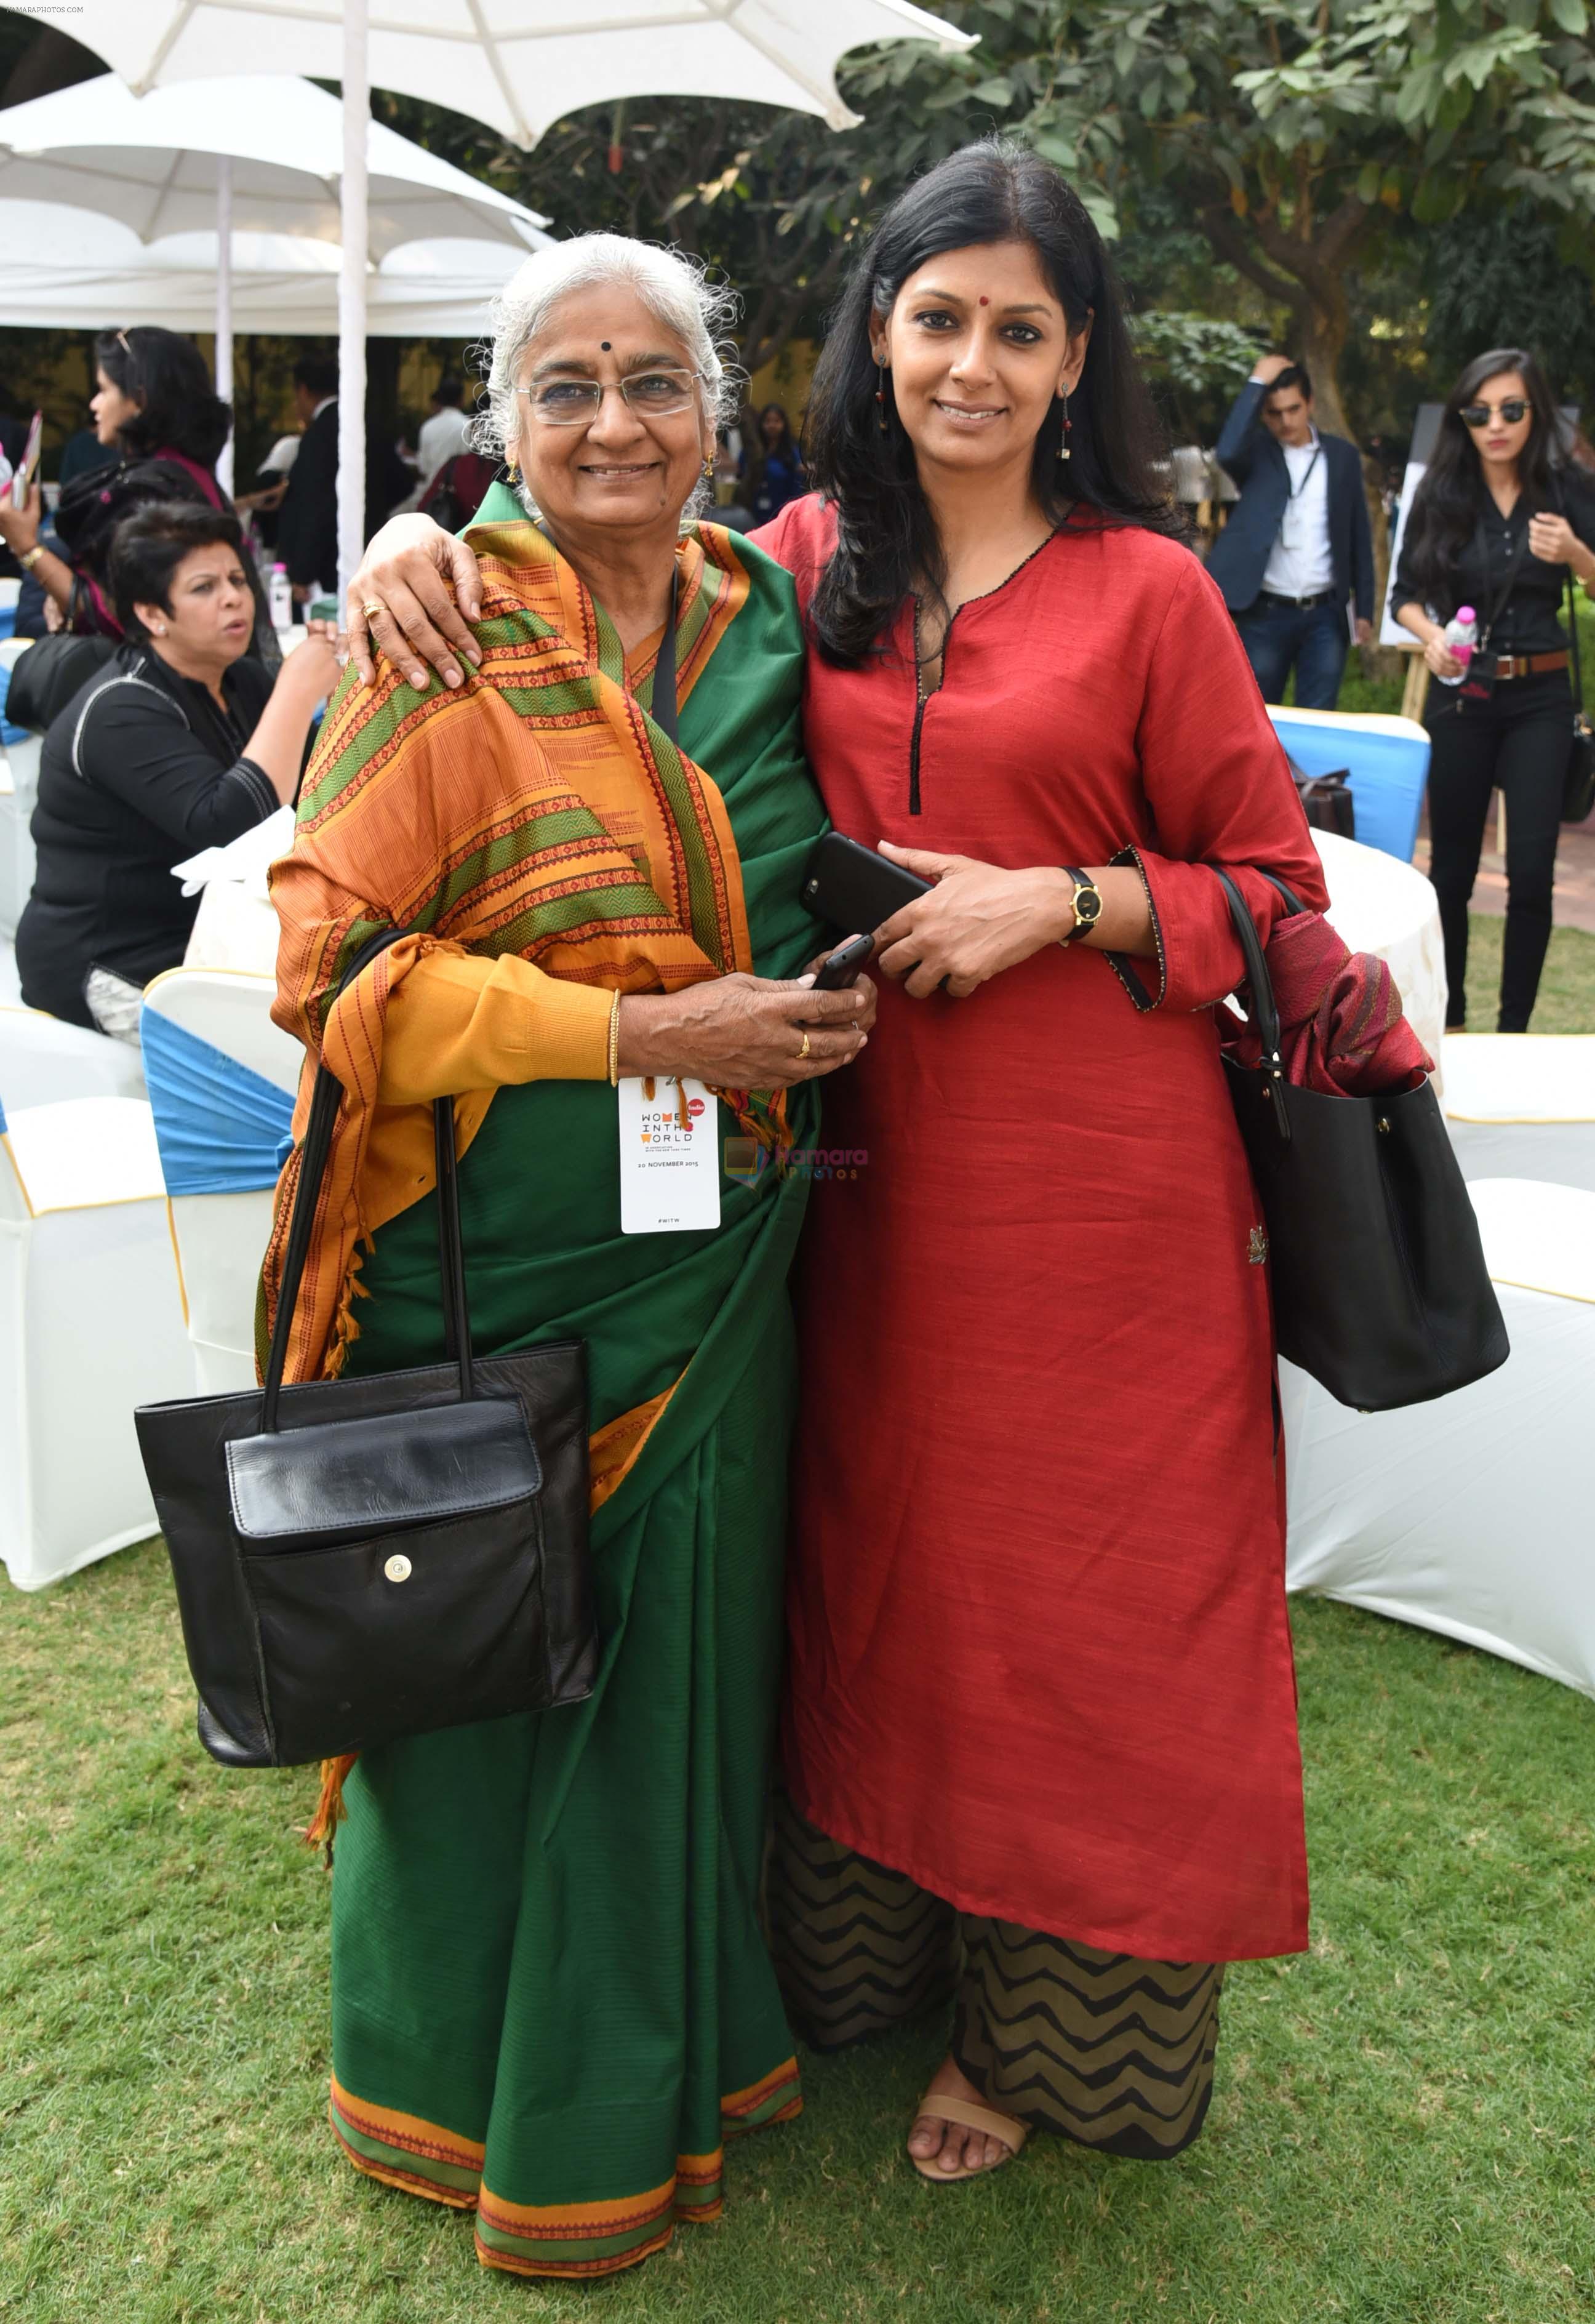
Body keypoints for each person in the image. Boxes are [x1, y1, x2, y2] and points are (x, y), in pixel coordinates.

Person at [348, 138, 1330, 2191]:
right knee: (881, 1584)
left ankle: (1039, 2030)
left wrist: (1062, 902)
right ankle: (862, 1967)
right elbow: (590, 531)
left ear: (1080, 365)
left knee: (1081, 1605)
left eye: (1021, 330)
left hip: (1099, 1207)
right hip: (850, 1206)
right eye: (939, 317)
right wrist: (400, 539)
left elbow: (1272, 892)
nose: (973, 363)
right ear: (876, 337)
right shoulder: (803, 561)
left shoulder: (1147, 589)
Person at [266, 233, 873, 2282]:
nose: (614, 420)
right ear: (500, 426)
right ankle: (451, 2075)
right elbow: (333, 974)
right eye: (564, 385)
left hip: (723, 1260)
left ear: (718, 414)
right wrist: (631, 1031)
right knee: (484, 1654)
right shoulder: (436, 638)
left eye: (655, 381)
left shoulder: (774, 612)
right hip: (501, 1259)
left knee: (678, 1666)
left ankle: (666, 2057)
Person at [15, 502, 337, 1032]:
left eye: (237, 578)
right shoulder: (118, 710)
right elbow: (229, 830)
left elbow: (319, 793)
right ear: (151, 615)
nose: (234, 596)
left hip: (219, 936)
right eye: (203, 588)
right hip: (115, 965)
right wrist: (298, 693)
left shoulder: (245, 682)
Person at [1393, 348, 1595, 1031]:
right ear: (1464, 418)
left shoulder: (1567, 490)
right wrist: (1431, 635)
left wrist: (1577, 554)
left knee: (1532, 872)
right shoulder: (1443, 490)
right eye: (1480, 412)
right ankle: (1451, 1020)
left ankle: (1515, 1029)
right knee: (1451, 870)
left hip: (1542, 697)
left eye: (1512, 409)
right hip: (1463, 697)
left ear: (1536, 412)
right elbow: (1404, 597)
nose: (1496, 425)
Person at [0, 326, 241, 641]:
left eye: (103, 390)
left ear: (139, 398)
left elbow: (113, 616)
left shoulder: (149, 490)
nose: (94, 405)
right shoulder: (184, 472)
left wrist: (27, 547)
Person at [1207, 352, 1375, 707]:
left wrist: (1365, 609)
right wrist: (1257, 382)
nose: (1285, 421)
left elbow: (1359, 533)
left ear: (1310, 403)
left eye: (1294, 409)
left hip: (1325, 612)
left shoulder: (1342, 456)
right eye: (1274, 412)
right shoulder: (1256, 454)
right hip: (1266, 612)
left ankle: (1304, 768)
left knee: (1319, 716)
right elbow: (1226, 450)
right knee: (1256, 713)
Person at [274, 356, 340, 603]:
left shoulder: (319, 434)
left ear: (303, 390)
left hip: (325, 569)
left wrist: (302, 572)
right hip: (368, 553)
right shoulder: (367, 424)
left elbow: (315, 506)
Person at [747, 402, 807, 525]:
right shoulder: (754, 451)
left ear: (783, 424)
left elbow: (797, 485)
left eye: (776, 421)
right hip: (754, 513)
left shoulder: (791, 452)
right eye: (768, 421)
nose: (772, 425)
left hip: (782, 513)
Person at [414, 372, 472, 492]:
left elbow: (424, 468)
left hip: (431, 493)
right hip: (458, 494)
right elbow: (470, 466)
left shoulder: (427, 427)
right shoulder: (467, 425)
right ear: (461, 399)